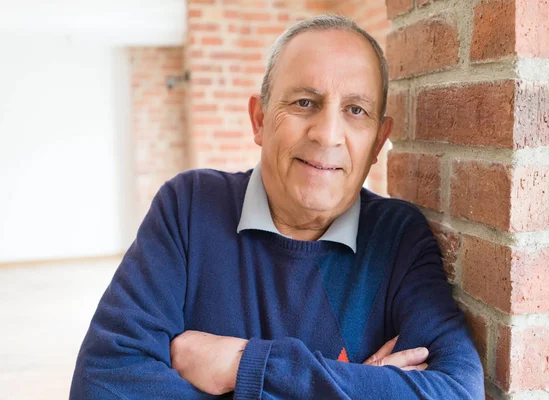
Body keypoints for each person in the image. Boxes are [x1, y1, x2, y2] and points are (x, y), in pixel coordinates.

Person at [70, 14, 484, 399]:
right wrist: (362, 384)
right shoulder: (188, 207)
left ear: (378, 142)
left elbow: (457, 391)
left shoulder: (399, 237)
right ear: (260, 119)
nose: (327, 135)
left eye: (356, 110)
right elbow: (102, 382)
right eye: (305, 102)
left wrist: (244, 366)